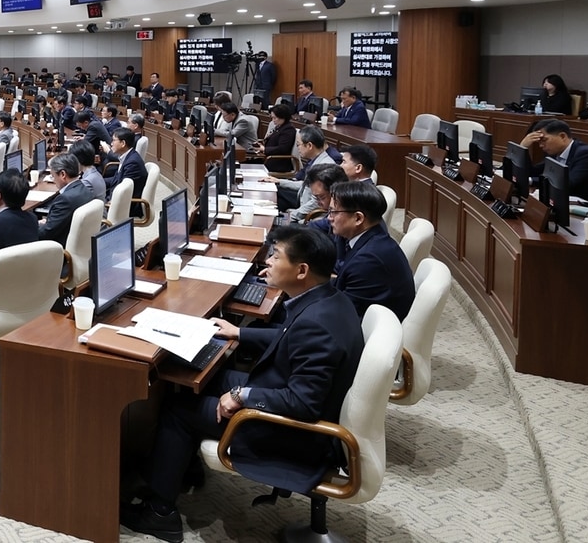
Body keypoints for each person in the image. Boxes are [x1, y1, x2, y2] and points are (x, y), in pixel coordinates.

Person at [123, 228, 363, 543]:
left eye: (277, 257)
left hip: (295, 431)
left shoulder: (316, 326)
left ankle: (160, 511)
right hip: (285, 389)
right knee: (205, 378)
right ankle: (180, 467)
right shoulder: (328, 299)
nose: (268, 262)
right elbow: (289, 339)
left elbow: (303, 404)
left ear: (302, 270)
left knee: (178, 409)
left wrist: (241, 396)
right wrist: (239, 333)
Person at [326, 180, 416, 320]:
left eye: (333, 212)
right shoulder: (374, 237)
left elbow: (342, 316)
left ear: (358, 218)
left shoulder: (368, 260)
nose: (329, 218)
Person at [522, 119, 588, 207]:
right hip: (577, 203)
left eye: (544, 140)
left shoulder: (586, 154)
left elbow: (567, 184)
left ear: (562, 136)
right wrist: (523, 148)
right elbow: (533, 172)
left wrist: (534, 182)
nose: (541, 146)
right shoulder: (555, 153)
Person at [269, 125, 336, 219]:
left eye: (298, 145)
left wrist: (291, 216)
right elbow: (305, 185)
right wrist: (279, 181)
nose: (298, 148)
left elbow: (316, 202)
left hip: (312, 216)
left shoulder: (325, 167)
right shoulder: (316, 160)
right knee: (276, 190)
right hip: (302, 199)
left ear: (309, 146)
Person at [38, 154, 93, 243]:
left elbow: (45, 234)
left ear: (63, 174)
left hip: (59, 249)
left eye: (53, 176)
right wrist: (49, 222)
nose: (53, 180)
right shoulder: (85, 189)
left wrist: (34, 226)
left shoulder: (65, 200)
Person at [104, 129, 147, 215]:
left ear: (123, 143)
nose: (111, 143)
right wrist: (99, 182)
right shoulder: (127, 156)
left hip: (124, 205)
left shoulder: (132, 163)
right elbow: (116, 179)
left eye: (114, 140)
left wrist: (107, 202)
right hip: (117, 197)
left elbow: (123, 189)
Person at [256, 103, 298, 172]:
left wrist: (265, 149)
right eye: (272, 117)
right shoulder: (279, 127)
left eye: (275, 118)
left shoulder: (288, 130)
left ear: (283, 117)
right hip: (270, 158)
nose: (273, 120)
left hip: (278, 163)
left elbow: (282, 149)